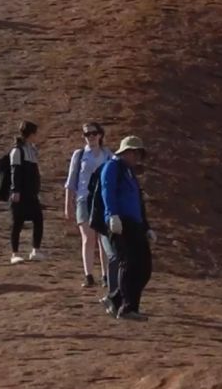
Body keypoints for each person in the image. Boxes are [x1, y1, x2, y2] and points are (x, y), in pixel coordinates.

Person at [101, 135, 155, 319]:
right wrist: (112, 215)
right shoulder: (113, 166)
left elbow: (138, 202)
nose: (136, 156)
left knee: (144, 267)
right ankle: (128, 308)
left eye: (138, 153)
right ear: (125, 151)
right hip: (120, 222)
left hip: (135, 224)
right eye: (133, 152)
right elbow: (107, 190)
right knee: (128, 263)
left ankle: (117, 299)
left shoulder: (130, 172)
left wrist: (146, 226)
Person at [64, 125, 113, 288]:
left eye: (93, 133)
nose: (90, 137)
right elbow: (71, 181)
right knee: (88, 238)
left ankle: (106, 275)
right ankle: (89, 275)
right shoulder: (79, 155)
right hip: (84, 199)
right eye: (87, 134)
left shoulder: (108, 155)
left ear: (100, 135)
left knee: (103, 238)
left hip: (102, 200)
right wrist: (68, 205)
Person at [9, 120, 43, 263]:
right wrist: (15, 190)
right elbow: (15, 172)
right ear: (31, 134)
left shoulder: (32, 150)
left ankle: (35, 250)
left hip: (31, 194)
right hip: (20, 194)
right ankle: (14, 253)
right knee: (17, 223)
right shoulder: (17, 151)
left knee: (38, 220)